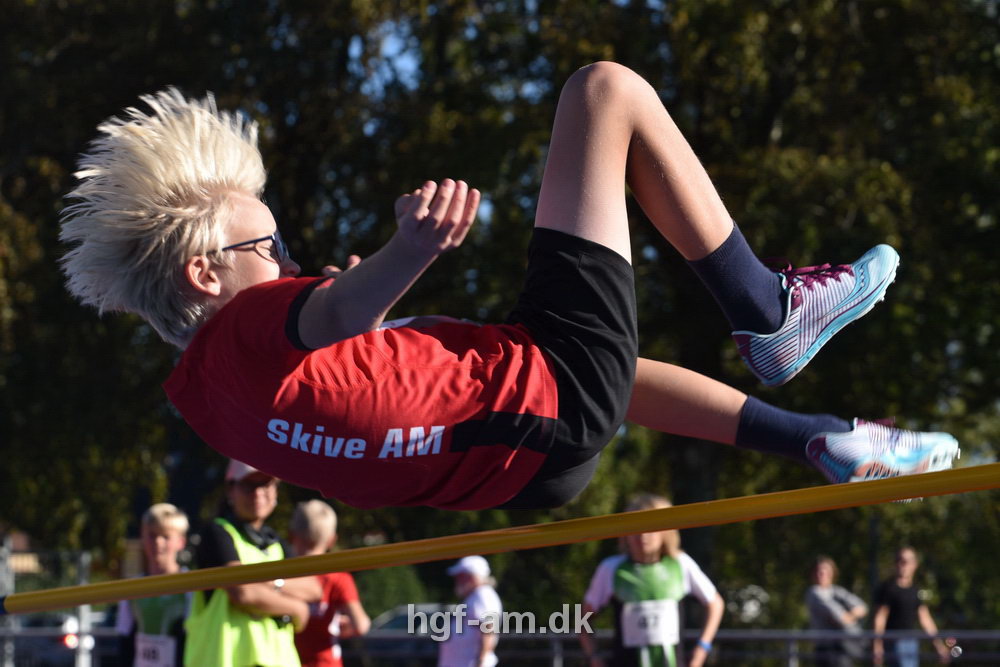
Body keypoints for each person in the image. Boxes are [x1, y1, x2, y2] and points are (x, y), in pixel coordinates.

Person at [60, 62, 961, 512]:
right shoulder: (253, 320)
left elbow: (336, 379)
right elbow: (331, 309)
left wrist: (361, 319)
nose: (285, 258)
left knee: (613, 373)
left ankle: (822, 440)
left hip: (528, 464)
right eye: (269, 242)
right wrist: (407, 249)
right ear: (205, 271)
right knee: (603, 93)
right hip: (543, 400)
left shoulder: (202, 397)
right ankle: (766, 307)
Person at [183, 459, 322, 667]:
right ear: (231, 491)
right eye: (249, 486)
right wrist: (295, 606)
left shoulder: (275, 542)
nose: (258, 494)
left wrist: (270, 584)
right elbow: (242, 592)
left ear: (275, 491)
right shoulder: (216, 533)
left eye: (265, 484)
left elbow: (313, 588)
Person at [578, 493, 724, 667]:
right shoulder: (611, 568)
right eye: (635, 528)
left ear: (666, 531)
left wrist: (702, 648)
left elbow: (715, 604)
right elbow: (583, 618)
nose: (643, 536)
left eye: (650, 527)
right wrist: (593, 656)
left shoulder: (680, 564)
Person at [288, 500, 370, 667]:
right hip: (325, 662)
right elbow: (361, 625)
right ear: (332, 540)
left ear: (292, 535)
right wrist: (340, 625)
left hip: (285, 659)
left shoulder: (280, 574)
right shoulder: (337, 578)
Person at [114, 503, 190, 667]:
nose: (157, 542)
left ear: (181, 542)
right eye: (152, 535)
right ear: (142, 537)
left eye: (166, 536)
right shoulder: (131, 588)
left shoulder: (191, 586)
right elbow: (125, 643)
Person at [872, 546, 951, 666]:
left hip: (911, 642)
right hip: (892, 641)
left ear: (914, 564)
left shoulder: (915, 590)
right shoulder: (888, 588)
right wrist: (877, 645)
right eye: (898, 560)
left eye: (906, 561)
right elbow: (880, 617)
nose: (902, 564)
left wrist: (938, 645)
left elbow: (925, 618)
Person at [438, 556, 502, 667]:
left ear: (473, 577)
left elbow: (488, 629)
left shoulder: (483, 595)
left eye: (462, 576)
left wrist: (480, 662)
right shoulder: (476, 596)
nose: (457, 580)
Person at [805, 556, 867, 667]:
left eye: (826, 571)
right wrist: (851, 616)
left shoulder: (837, 591)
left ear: (832, 573)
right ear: (813, 574)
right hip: (826, 650)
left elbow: (863, 607)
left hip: (843, 649)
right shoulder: (814, 592)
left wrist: (848, 617)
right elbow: (839, 617)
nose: (822, 574)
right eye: (819, 571)